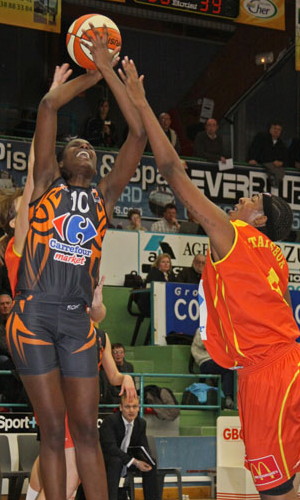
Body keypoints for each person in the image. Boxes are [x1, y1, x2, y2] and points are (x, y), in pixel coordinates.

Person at [120, 58, 300, 499]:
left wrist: (142, 103)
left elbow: (173, 170)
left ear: (257, 218)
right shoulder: (273, 258)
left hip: (269, 375)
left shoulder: (237, 237)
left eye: (249, 198)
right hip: (284, 364)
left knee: (276, 492)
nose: (240, 201)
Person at [6, 27, 146, 500]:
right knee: (52, 428)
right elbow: (49, 107)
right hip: (33, 314)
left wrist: (109, 69)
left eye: (89, 146)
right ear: (62, 163)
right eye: (75, 147)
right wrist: (87, 74)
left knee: (86, 429)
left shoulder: (105, 196)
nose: (84, 147)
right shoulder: (47, 183)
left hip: (76, 320)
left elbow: (139, 133)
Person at [27, 330, 136, 500]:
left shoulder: (101, 336)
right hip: (62, 406)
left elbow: (114, 376)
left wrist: (125, 378)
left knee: (51, 466)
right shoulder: (61, 325)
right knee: (66, 486)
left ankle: (31, 495)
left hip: (78, 408)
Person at [98, 394, 159, 500]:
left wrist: (146, 459)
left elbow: (143, 446)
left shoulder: (141, 423)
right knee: (116, 461)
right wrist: (134, 461)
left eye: (134, 407)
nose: (131, 410)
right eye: (127, 407)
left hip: (128, 460)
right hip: (107, 460)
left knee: (151, 464)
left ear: (139, 407)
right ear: (121, 407)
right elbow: (111, 448)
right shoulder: (110, 421)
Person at [190, 329, 234, 409]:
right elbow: (202, 343)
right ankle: (228, 397)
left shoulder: (220, 327)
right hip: (206, 360)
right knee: (227, 369)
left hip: (219, 359)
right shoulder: (202, 329)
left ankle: (235, 399)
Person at [247, 122, 288, 187]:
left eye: (279, 129)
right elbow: (254, 149)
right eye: (274, 128)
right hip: (260, 164)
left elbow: (287, 158)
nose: (276, 131)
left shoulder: (281, 145)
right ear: (270, 129)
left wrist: (281, 163)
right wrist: (252, 159)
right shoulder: (261, 137)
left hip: (273, 167)